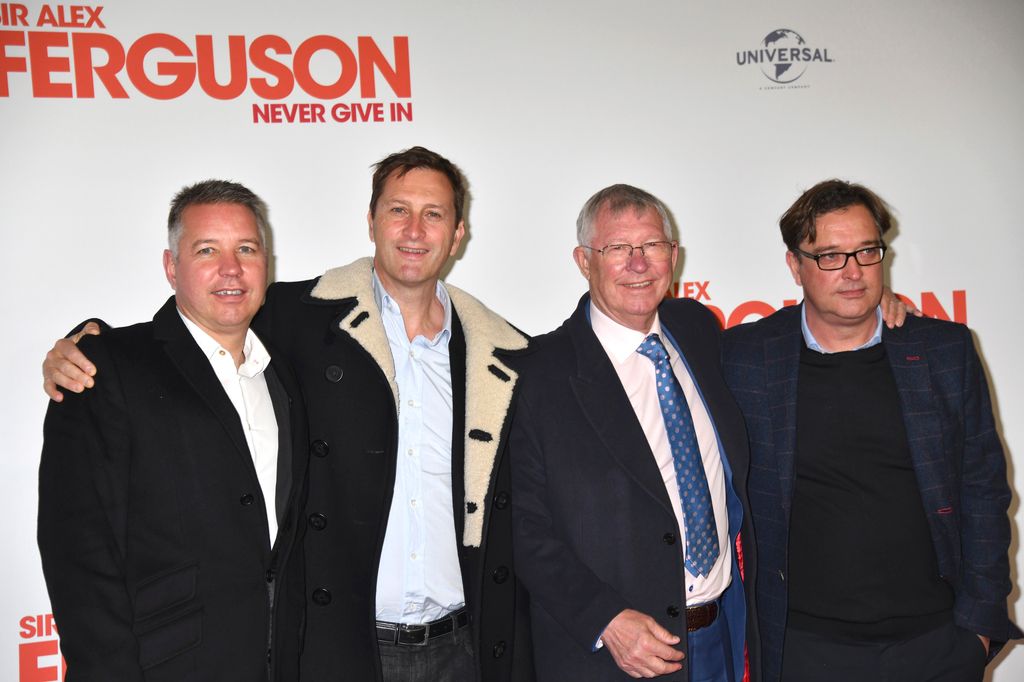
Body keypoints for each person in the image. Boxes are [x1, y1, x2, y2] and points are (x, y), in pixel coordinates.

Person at [42, 147, 533, 682]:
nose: (414, 230)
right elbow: (189, 333)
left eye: (433, 213)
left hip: (459, 646)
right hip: (338, 646)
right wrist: (81, 343)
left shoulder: (501, 351)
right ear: (370, 221)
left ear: (458, 232)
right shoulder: (293, 318)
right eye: (398, 210)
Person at [721, 179, 1021, 682]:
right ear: (795, 266)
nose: (854, 272)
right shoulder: (745, 357)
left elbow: (984, 492)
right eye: (831, 256)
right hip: (802, 649)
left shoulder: (942, 351)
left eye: (866, 251)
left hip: (937, 642)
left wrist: (978, 628)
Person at [37, 180, 309, 681]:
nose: (232, 268)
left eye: (246, 249)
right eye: (207, 250)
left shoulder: (286, 373)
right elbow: (78, 554)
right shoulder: (104, 368)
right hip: (163, 666)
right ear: (171, 267)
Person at [507, 184, 758, 681]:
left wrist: (870, 304)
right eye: (618, 249)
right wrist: (604, 620)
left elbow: (786, 343)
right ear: (584, 260)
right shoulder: (538, 373)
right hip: (617, 656)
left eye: (652, 247)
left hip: (723, 635)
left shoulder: (698, 328)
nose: (638, 263)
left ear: (675, 256)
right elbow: (520, 527)